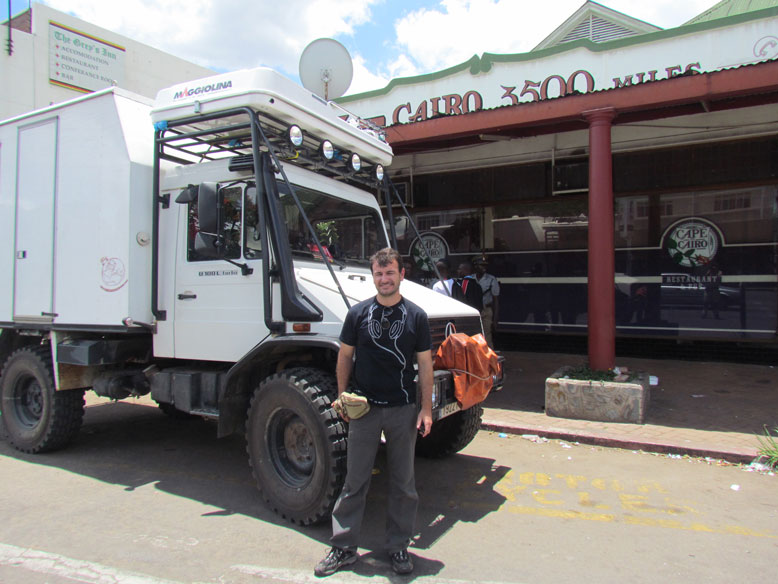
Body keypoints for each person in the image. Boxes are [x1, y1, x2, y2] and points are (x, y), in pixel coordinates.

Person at [315, 247, 433, 578]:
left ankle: (398, 548)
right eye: (379, 274)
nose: (385, 279)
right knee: (355, 481)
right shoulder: (357, 315)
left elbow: (425, 365)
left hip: (402, 410)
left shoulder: (416, 317)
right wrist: (341, 398)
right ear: (373, 277)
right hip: (364, 410)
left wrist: (425, 409)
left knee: (403, 483)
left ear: (401, 275)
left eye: (390, 272)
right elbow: (345, 357)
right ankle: (343, 547)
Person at [473, 257, 500, 347]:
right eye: (481, 265)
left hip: (486, 310)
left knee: (487, 336)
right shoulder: (471, 278)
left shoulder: (491, 279)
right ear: (476, 266)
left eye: (485, 265)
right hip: (474, 310)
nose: (483, 267)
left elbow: (495, 300)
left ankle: (489, 359)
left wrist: (495, 319)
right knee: (474, 335)